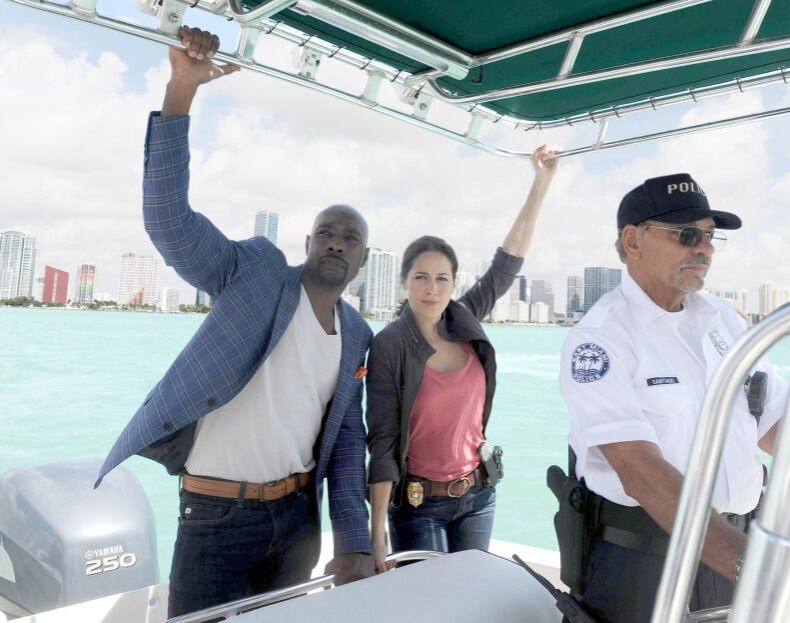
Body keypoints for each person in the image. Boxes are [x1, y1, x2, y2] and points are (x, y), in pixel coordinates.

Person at [95, 27, 374, 618]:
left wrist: (353, 540)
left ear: (363, 259)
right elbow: (169, 221)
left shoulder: (357, 334)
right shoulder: (256, 273)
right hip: (216, 515)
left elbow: (348, 445)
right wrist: (182, 91)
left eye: (349, 237)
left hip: (298, 520)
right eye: (326, 230)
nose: (335, 242)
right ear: (307, 241)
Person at [558, 173, 790, 623]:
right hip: (645, 562)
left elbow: (780, 429)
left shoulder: (724, 321)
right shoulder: (600, 340)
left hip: (733, 550)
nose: (706, 249)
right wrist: (763, 574)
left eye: (711, 237)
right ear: (632, 241)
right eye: (687, 235)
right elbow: (640, 472)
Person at [366, 145, 560, 572]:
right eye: (421, 278)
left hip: (478, 496)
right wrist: (376, 531)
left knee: (473, 601)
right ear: (404, 283)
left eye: (442, 279)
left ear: (454, 284)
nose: (431, 289)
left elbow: (505, 265)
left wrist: (541, 183)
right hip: (419, 505)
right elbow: (382, 443)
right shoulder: (390, 345)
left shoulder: (465, 320)